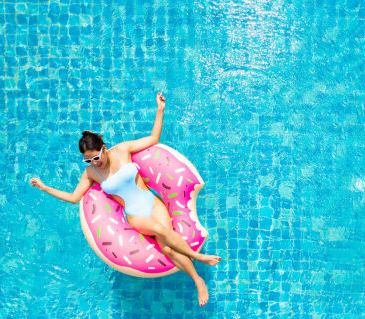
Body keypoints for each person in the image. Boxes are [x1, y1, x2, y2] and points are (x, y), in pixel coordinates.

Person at [30, 92, 221, 306]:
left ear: (103, 148)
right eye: (88, 160)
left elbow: (153, 139)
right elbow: (74, 198)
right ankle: (199, 262)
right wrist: (45, 188)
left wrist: (160, 109)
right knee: (161, 232)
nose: (94, 162)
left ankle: (197, 278)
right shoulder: (92, 174)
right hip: (135, 214)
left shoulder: (122, 150)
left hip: (151, 202)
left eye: (96, 156)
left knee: (166, 247)